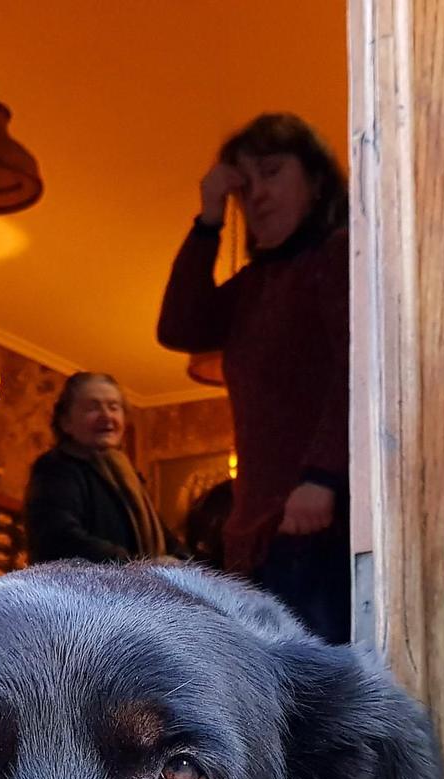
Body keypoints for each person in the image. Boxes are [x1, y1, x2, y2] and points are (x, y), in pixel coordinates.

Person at [157, 112, 350, 643]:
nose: (257, 195)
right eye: (246, 186)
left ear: (314, 181)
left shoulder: (335, 257)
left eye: (271, 173)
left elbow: (352, 369)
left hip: (316, 522)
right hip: (256, 534)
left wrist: (323, 477)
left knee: (318, 699)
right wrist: (209, 217)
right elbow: (177, 326)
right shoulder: (251, 287)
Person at [24, 371, 171, 564]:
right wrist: (137, 565)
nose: (106, 416)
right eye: (92, 408)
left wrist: (188, 566)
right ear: (66, 422)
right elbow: (59, 538)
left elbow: (170, 543)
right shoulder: (56, 468)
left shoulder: (129, 479)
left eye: (114, 407)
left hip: (129, 589)